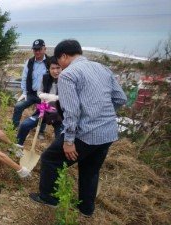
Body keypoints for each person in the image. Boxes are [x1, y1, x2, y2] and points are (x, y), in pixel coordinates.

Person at [29, 39, 127, 218]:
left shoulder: (68, 75)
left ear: (64, 56)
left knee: (50, 159)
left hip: (85, 133)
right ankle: (86, 210)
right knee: (90, 170)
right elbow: (121, 99)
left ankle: (48, 198)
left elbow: (71, 111)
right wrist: (103, 114)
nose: (59, 66)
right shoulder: (102, 68)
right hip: (108, 132)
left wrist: (68, 141)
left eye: (59, 62)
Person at [16, 57, 63, 147]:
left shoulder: (66, 80)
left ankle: (58, 158)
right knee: (25, 125)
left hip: (60, 112)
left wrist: (54, 97)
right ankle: (18, 146)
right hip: (44, 107)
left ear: (62, 68)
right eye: (52, 68)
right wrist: (46, 96)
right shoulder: (45, 78)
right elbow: (39, 93)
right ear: (48, 69)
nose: (55, 71)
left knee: (60, 138)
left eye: (58, 68)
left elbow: (67, 97)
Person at [12, 39, 49, 140]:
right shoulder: (30, 62)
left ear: (44, 49)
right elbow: (24, 77)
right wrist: (24, 92)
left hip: (43, 95)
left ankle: (40, 131)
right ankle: (14, 128)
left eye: (39, 49)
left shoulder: (50, 62)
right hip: (31, 93)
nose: (37, 52)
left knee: (43, 112)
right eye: (35, 50)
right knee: (18, 106)